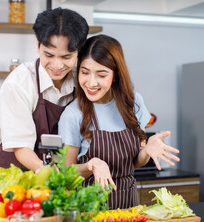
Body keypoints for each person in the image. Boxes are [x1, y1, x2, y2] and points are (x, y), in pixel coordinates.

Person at [58, 34, 180, 210]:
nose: (91, 83)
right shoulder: (73, 114)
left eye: (101, 74)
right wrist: (91, 165)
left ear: (115, 75)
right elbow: (66, 173)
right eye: (84, 72)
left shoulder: (133, 102)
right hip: (89, 214)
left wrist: (147, 150)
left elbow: (135, 161)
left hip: (129, 209)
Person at [0, 7, 89, 194]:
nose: (57, 66)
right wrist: (45, 171)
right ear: (38, 46)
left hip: (57, 180)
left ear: (78, 52)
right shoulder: (19, 83)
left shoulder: (82, 80)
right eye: (48, 55)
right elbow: (21, 147)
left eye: (66, 57)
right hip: (15, 180)